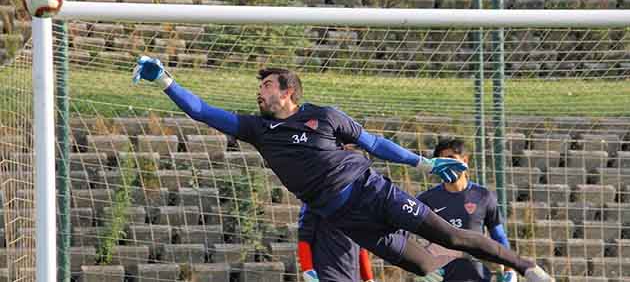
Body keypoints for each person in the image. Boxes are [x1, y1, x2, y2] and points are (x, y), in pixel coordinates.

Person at [131, 57, 553, 282]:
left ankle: (526, 268)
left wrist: (421, 162)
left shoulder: (325, 116)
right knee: (426, 267)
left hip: (374, 192)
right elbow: (202, 111)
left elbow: (373, 144)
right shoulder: (258, 129)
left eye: (265, 86)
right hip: (345, 218)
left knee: (455, 235)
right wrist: (164, 80)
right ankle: (459, 256)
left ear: (288, 91)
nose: (258, 92)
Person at [416, 137, 517, 282]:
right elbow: (412, 239)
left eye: (451, 158)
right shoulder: (426, 200)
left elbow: (499, 236)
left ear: (465, 160)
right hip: (442, 276)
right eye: (442, 160)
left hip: (479, 276)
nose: (447, 164)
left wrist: (509, 268)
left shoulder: (483, 196)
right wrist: (422, 265)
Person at [298, 204, 375, 282]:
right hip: (327, 275)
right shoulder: (314, 201)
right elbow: (304, 239)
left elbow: (360, 244)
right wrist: (308, 271)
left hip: (353, 277)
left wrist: (368, 277)